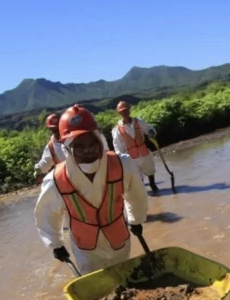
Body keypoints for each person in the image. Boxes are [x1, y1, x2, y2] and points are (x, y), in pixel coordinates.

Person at [35, 105, 148, 274]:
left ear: (99, 140)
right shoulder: (55, 181)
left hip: (119, 241)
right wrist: (55, 244)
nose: (87, 150)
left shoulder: (123, 164)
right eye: (79, 146)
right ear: (67, 148)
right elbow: (47, 214)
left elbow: (136, 195)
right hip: (85, 250)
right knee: (96, 284)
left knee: (124, 276)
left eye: (92, 143)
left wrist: (136, 220)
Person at [111, 101, 159, 195]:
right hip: (131, 157)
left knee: (150, 170)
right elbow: (117, 145)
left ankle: (153, 186)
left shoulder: (139, 121)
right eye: (122, 111)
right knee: (138, 178)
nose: (125, 113)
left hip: (144, 152)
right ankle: (144, 193)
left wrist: (151, 132)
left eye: (126, 110)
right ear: (119, 113)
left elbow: (149, 129)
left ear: (129, 110)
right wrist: (120, 158)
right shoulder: (117, 129)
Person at [34, 113, 68, 183]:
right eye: (54, 129)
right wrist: (38, 170)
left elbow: (45, 164)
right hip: (70, 178)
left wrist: (38, 170)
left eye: (57, 128)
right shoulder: (51, 147)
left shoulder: (73, 138)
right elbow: (45, 162)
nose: (57, 130)